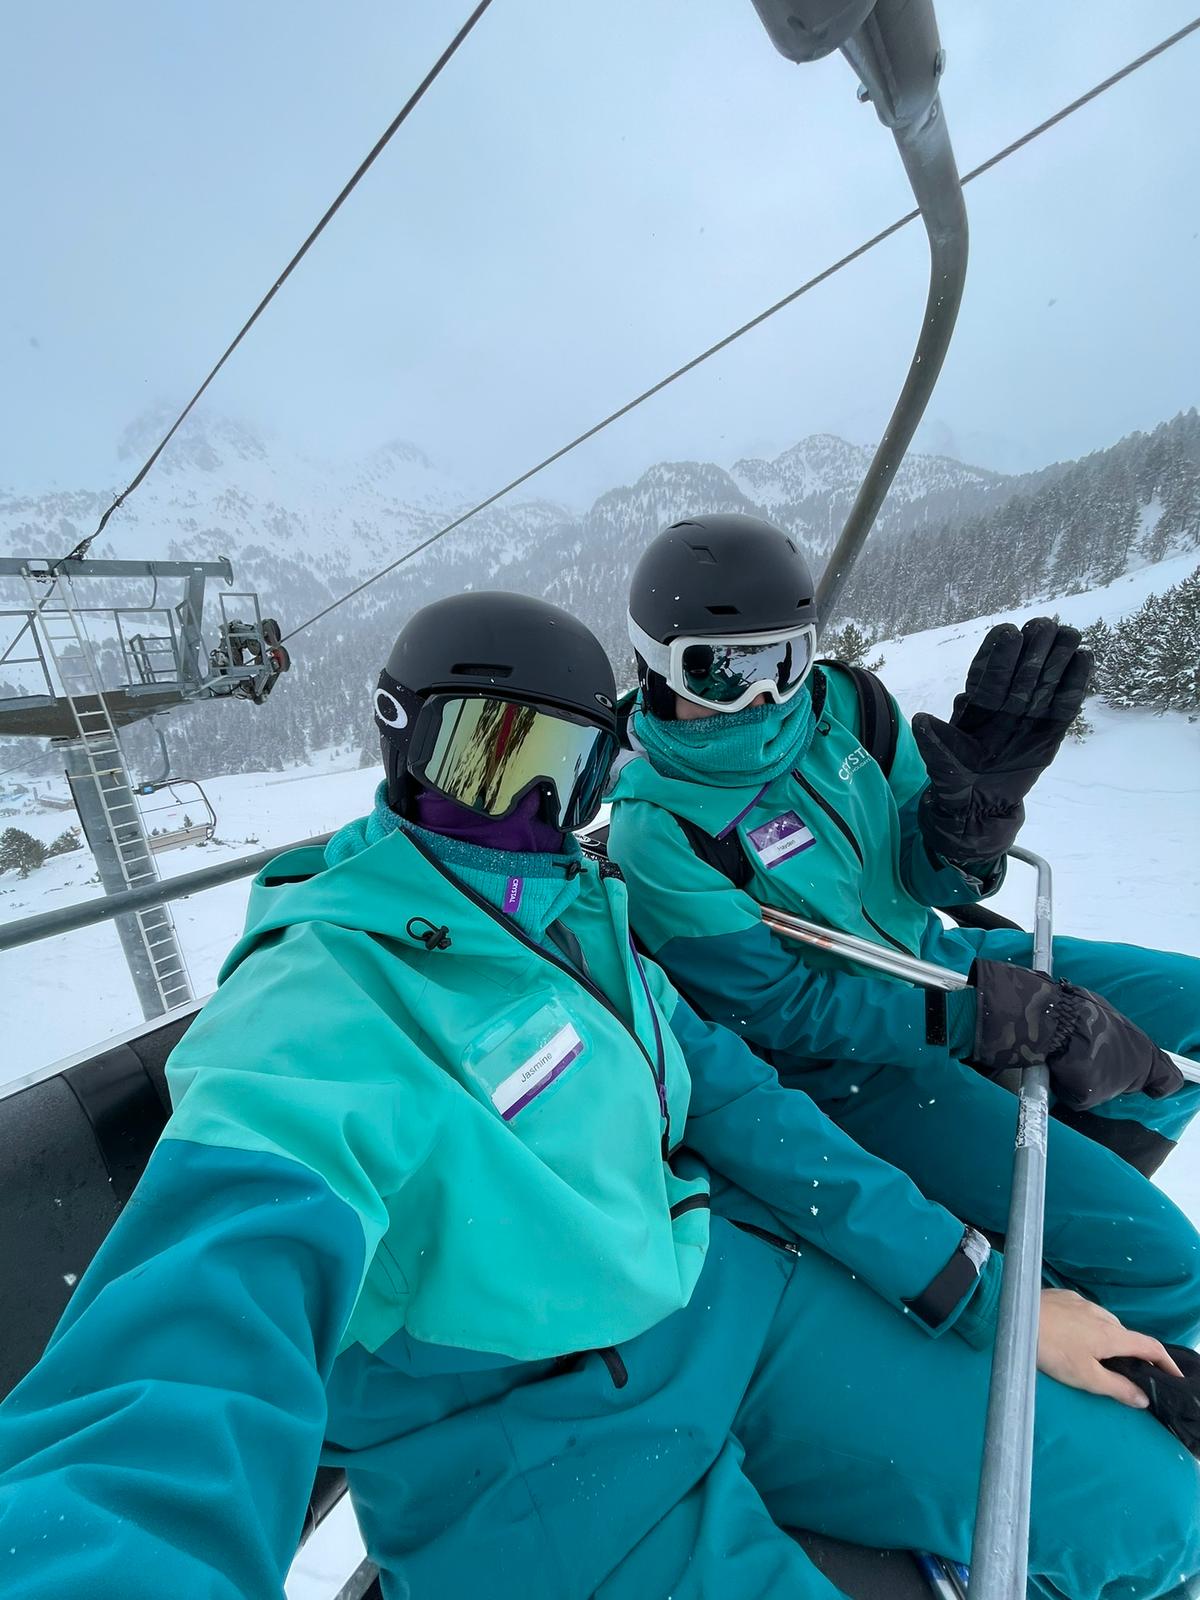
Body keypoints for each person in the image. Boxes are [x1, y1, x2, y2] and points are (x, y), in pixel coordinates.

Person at [0, 592, 1197, 1600]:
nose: (526, 819)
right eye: (488, 760)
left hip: (731, 1301)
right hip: (542, 1454)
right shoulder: (319, 1009)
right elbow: (177, 1367)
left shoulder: (584, 914)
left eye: (560, 777)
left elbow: (748, 1110)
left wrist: (991, 1296)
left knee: (1160, 1511)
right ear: (403, 744)